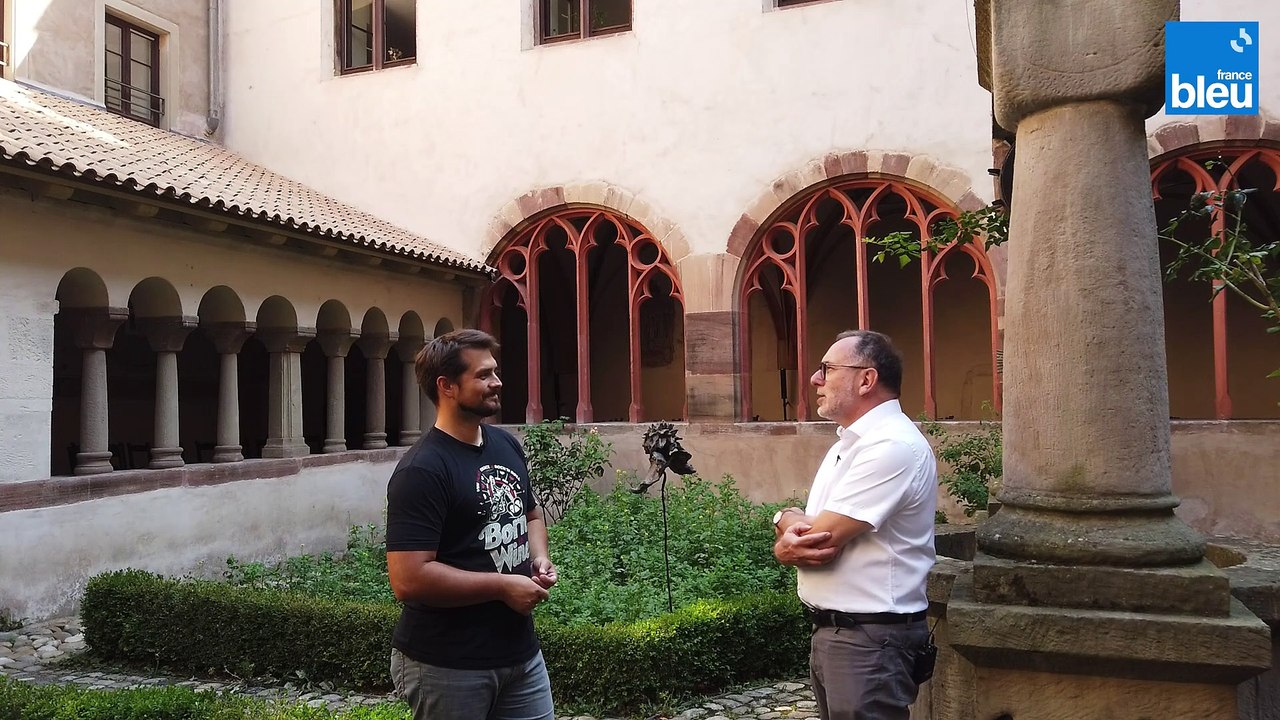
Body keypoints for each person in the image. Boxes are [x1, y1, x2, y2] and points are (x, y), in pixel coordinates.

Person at [385, 329, 558, 720]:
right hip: (447, 663)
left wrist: (539, 558)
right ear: (446, 386)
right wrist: (502, 586)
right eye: (483, 375)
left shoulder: (505, 444)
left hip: (520, 653)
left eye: (494, 371)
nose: (497, 382)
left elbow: (530, 514)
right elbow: (408, 579)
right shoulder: (423, 470)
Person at [772, 330, 938, 720]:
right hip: (844, 635)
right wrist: (786, 520)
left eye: (827, 368)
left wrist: (785, 519)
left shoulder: (891, 446)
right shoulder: (850, 444)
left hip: (869, 642)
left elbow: (817, 541)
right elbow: (806, 531)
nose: (815, 379)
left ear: (866, 379)